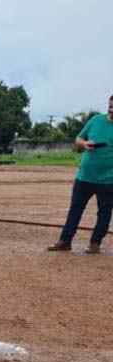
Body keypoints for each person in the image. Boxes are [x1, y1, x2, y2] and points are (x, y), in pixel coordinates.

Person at [48, 95, 113, 254]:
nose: (111, 110)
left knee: (104, 212)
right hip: (84, 176)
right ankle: (65, 241)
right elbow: (78, 138)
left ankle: (95, 243)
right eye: (110, 107)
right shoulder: (96, 120)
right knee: (75, 209)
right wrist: (85, 143)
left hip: (108, 180)